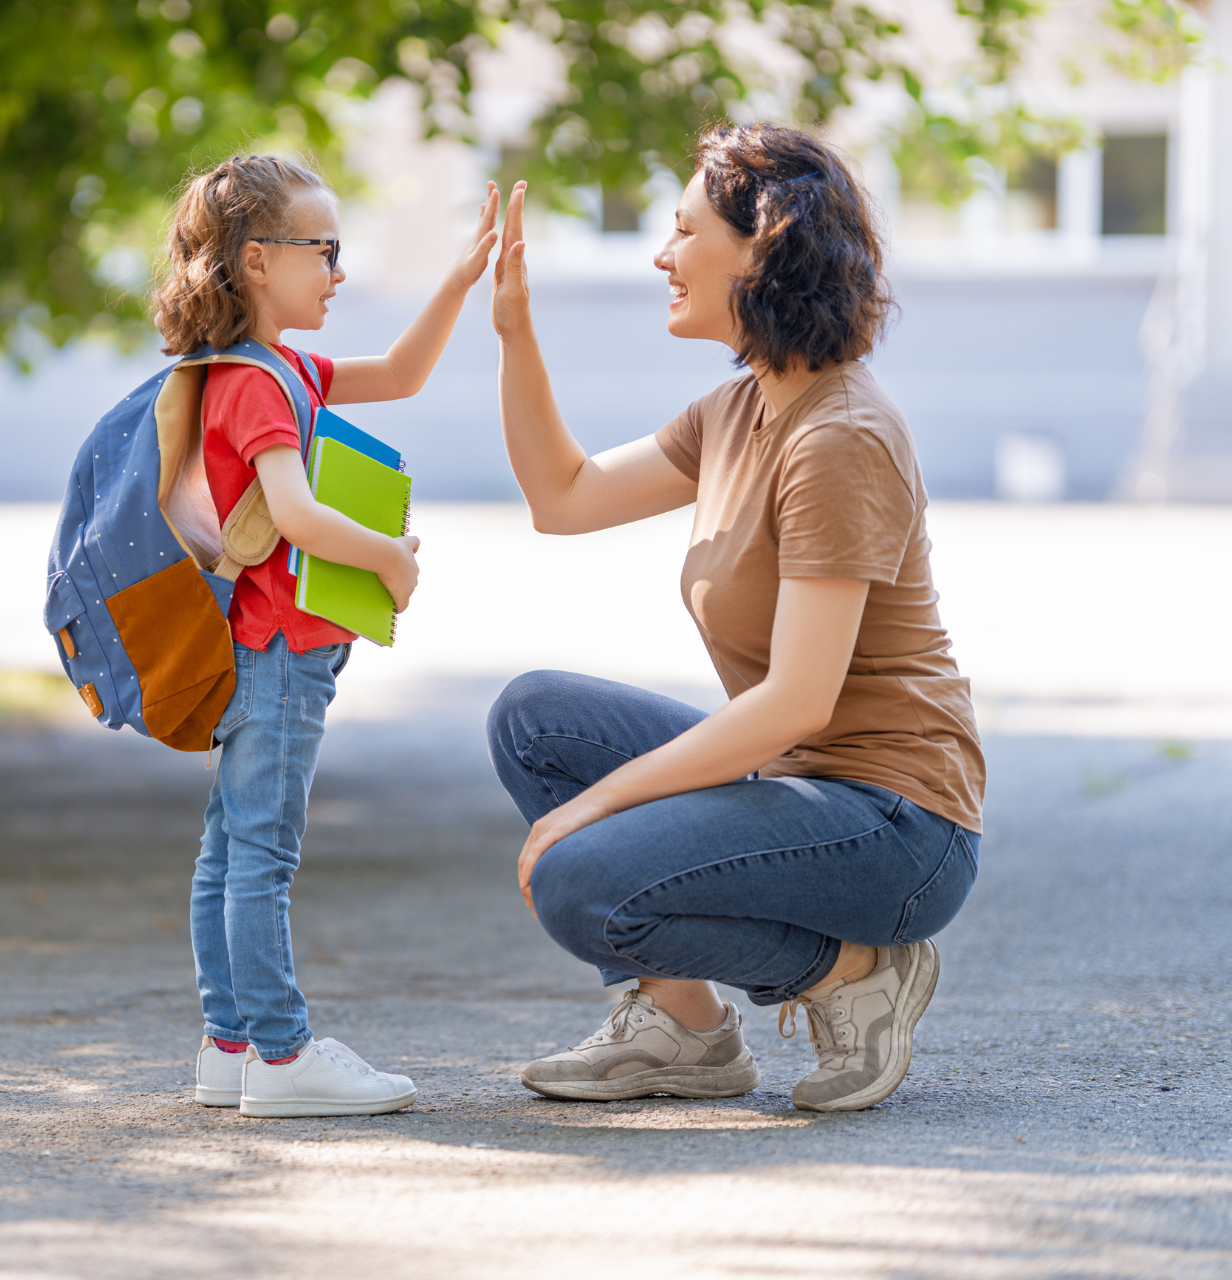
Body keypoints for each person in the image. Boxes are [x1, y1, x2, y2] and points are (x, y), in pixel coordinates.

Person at [485, 124, 984, 1112]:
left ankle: (855, 971)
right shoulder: (738, 410)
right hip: (804, 785)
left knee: (582, 879)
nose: (660, 255)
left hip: (896, 824)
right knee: (535, 719)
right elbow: (564, 495)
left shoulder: (840, 435)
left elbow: (796, 700)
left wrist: (592, 806)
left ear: (764, 245)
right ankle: (686, 1029)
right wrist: (514, 331)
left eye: (682, 230)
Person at [153, 154, 500, 1117]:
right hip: (276, 653)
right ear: (258, 260)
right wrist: (390, 559)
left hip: (250, 651)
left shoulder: (267, 369)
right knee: (261, 855)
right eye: (325, 251)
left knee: (228, 849)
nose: (338, 273)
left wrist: (461, 278)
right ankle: (282, 1054)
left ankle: (231, 1046)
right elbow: (295, 514)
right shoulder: (260, 384)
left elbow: (399, 373)